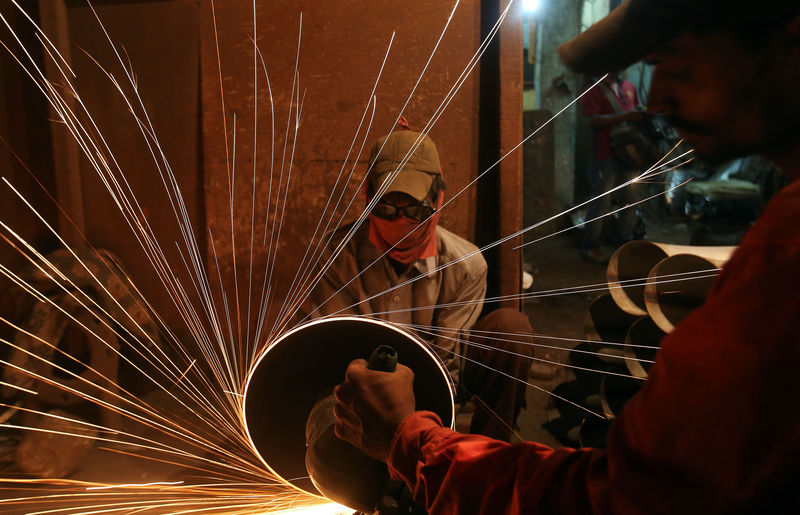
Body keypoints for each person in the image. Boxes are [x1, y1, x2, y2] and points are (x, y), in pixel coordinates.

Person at [332, 0, 800, 512]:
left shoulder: (782, 261)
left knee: (510, 328)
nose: (660, 98)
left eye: (680, 66)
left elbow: (625, 498)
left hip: (425, 401)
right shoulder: (780, 230)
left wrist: (416, 443)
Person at [302, 127, 534, 442]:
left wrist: (426, 444)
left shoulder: (465, 265)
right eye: (386, 208)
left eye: (414, 210)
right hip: (360, 386)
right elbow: (334, 347)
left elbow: (446, 365)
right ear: (368, 198)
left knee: (511, 330)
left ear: (438, 199)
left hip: (435, 379)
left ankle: (483, 461)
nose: (400, 223)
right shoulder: (336, 256)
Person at [580, 72, 648, 263]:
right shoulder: (593, 89)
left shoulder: (628, 87)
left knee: (629, 201)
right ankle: (591, 246)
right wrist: (625, 116)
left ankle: (623, 245)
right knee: (601, 202)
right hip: (604, 154)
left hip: (629, 154)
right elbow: (592, 120)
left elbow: (636, 110)